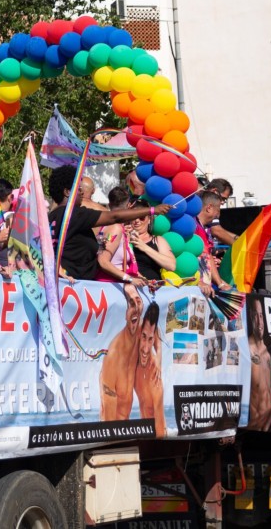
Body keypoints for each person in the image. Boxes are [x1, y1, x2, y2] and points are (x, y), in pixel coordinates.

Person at [48, 165, 171, 282]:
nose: (81, 193)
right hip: (75, 285)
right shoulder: (74, 214)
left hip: (66, 283)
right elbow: (114, 216)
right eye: (78, 189)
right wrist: (153, 210)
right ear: (67, 192)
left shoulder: (51, 217)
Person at [100, 283, 144, 420]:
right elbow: (108, 419)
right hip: (113, 434)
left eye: (138, 302)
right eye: (131, 304)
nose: (136, 308)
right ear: (125, 314)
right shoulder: (114, 356)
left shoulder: (142, 333)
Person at [96, 187, 147, 287]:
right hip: (110, 287)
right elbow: (102, 261)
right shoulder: (115, 228)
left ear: (109, 205)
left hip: (116, 285)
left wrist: (143, 279)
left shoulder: (117, 227)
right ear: (129, 206)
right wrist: (129, 279)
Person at [134, 302, 165, 437]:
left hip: (158, 437)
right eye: (144, 337)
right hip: (139, 369)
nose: (146, 347)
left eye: (150, 339)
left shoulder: (154, 376)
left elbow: (158, 346)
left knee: (152, 405)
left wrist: (158, 359)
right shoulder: (137, 327)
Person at [246, 298, 271, 430]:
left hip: (268, 425)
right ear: (250, 319)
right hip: (253, 429)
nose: (259, 322)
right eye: (254, 316)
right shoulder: (246, 350)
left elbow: (269, 391)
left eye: (261, 316)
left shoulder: (267, 354)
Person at [203, 178, 237, 246]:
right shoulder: (208, 205)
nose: (222, 202)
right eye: (223, 198)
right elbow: (216, 231)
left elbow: (218, 228)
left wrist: (237, 238)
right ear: (214, 191)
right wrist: (239, 246)